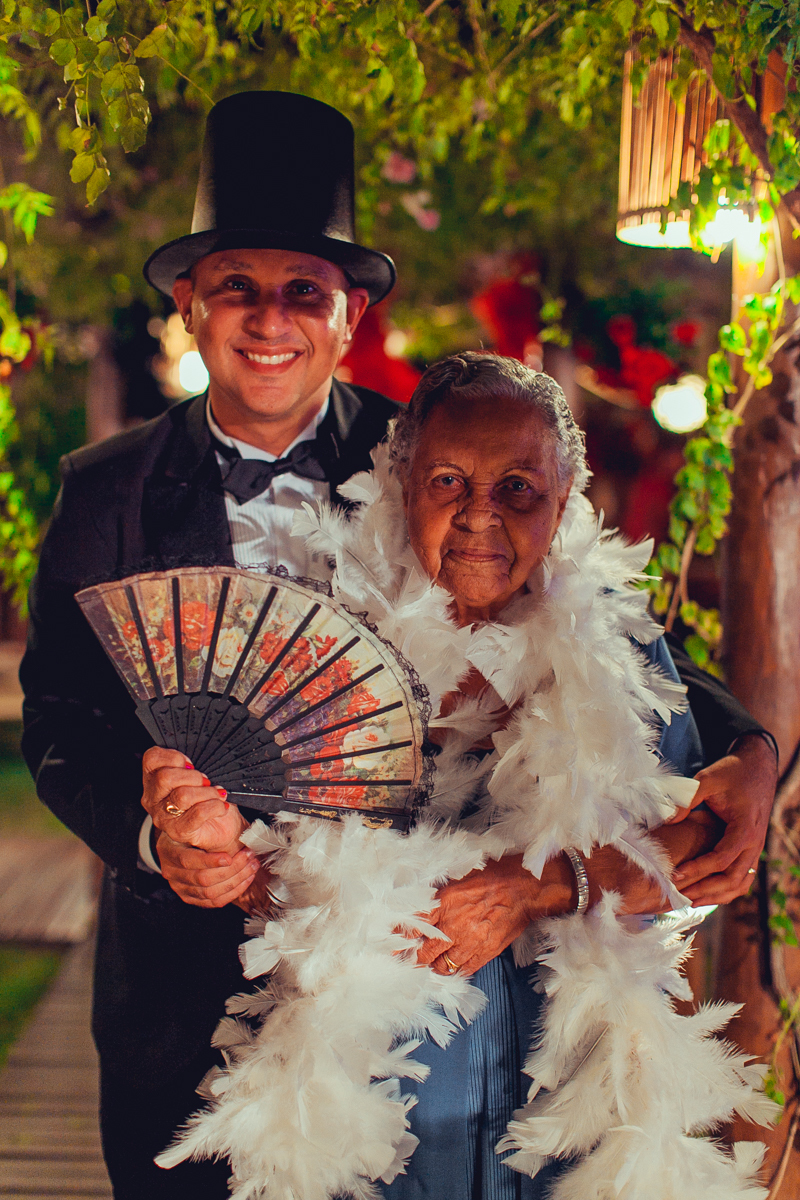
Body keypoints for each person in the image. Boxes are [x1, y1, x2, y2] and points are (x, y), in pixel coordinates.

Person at [19, 90, 775, 1199]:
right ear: (187, 300)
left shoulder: (433, 448)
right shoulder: (104, 496)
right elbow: (60, 720)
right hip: (183, 992)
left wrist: (747, 746)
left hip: (413, 1000)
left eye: (303, 292)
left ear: (349, 318)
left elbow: (585, 625)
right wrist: (149, 838)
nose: (270, 319)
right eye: (237, 286)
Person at [154, 353, 774, 1199]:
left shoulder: (622, 650)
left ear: (563, 502)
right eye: (449, 480)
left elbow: (695, 855)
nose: (482, 514)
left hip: (577, 1130)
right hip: (371, 1132)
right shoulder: (319, 647)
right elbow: (284, 901)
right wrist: (228, 860)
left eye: (520, 486)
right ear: (403, 481)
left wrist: (540, 886)